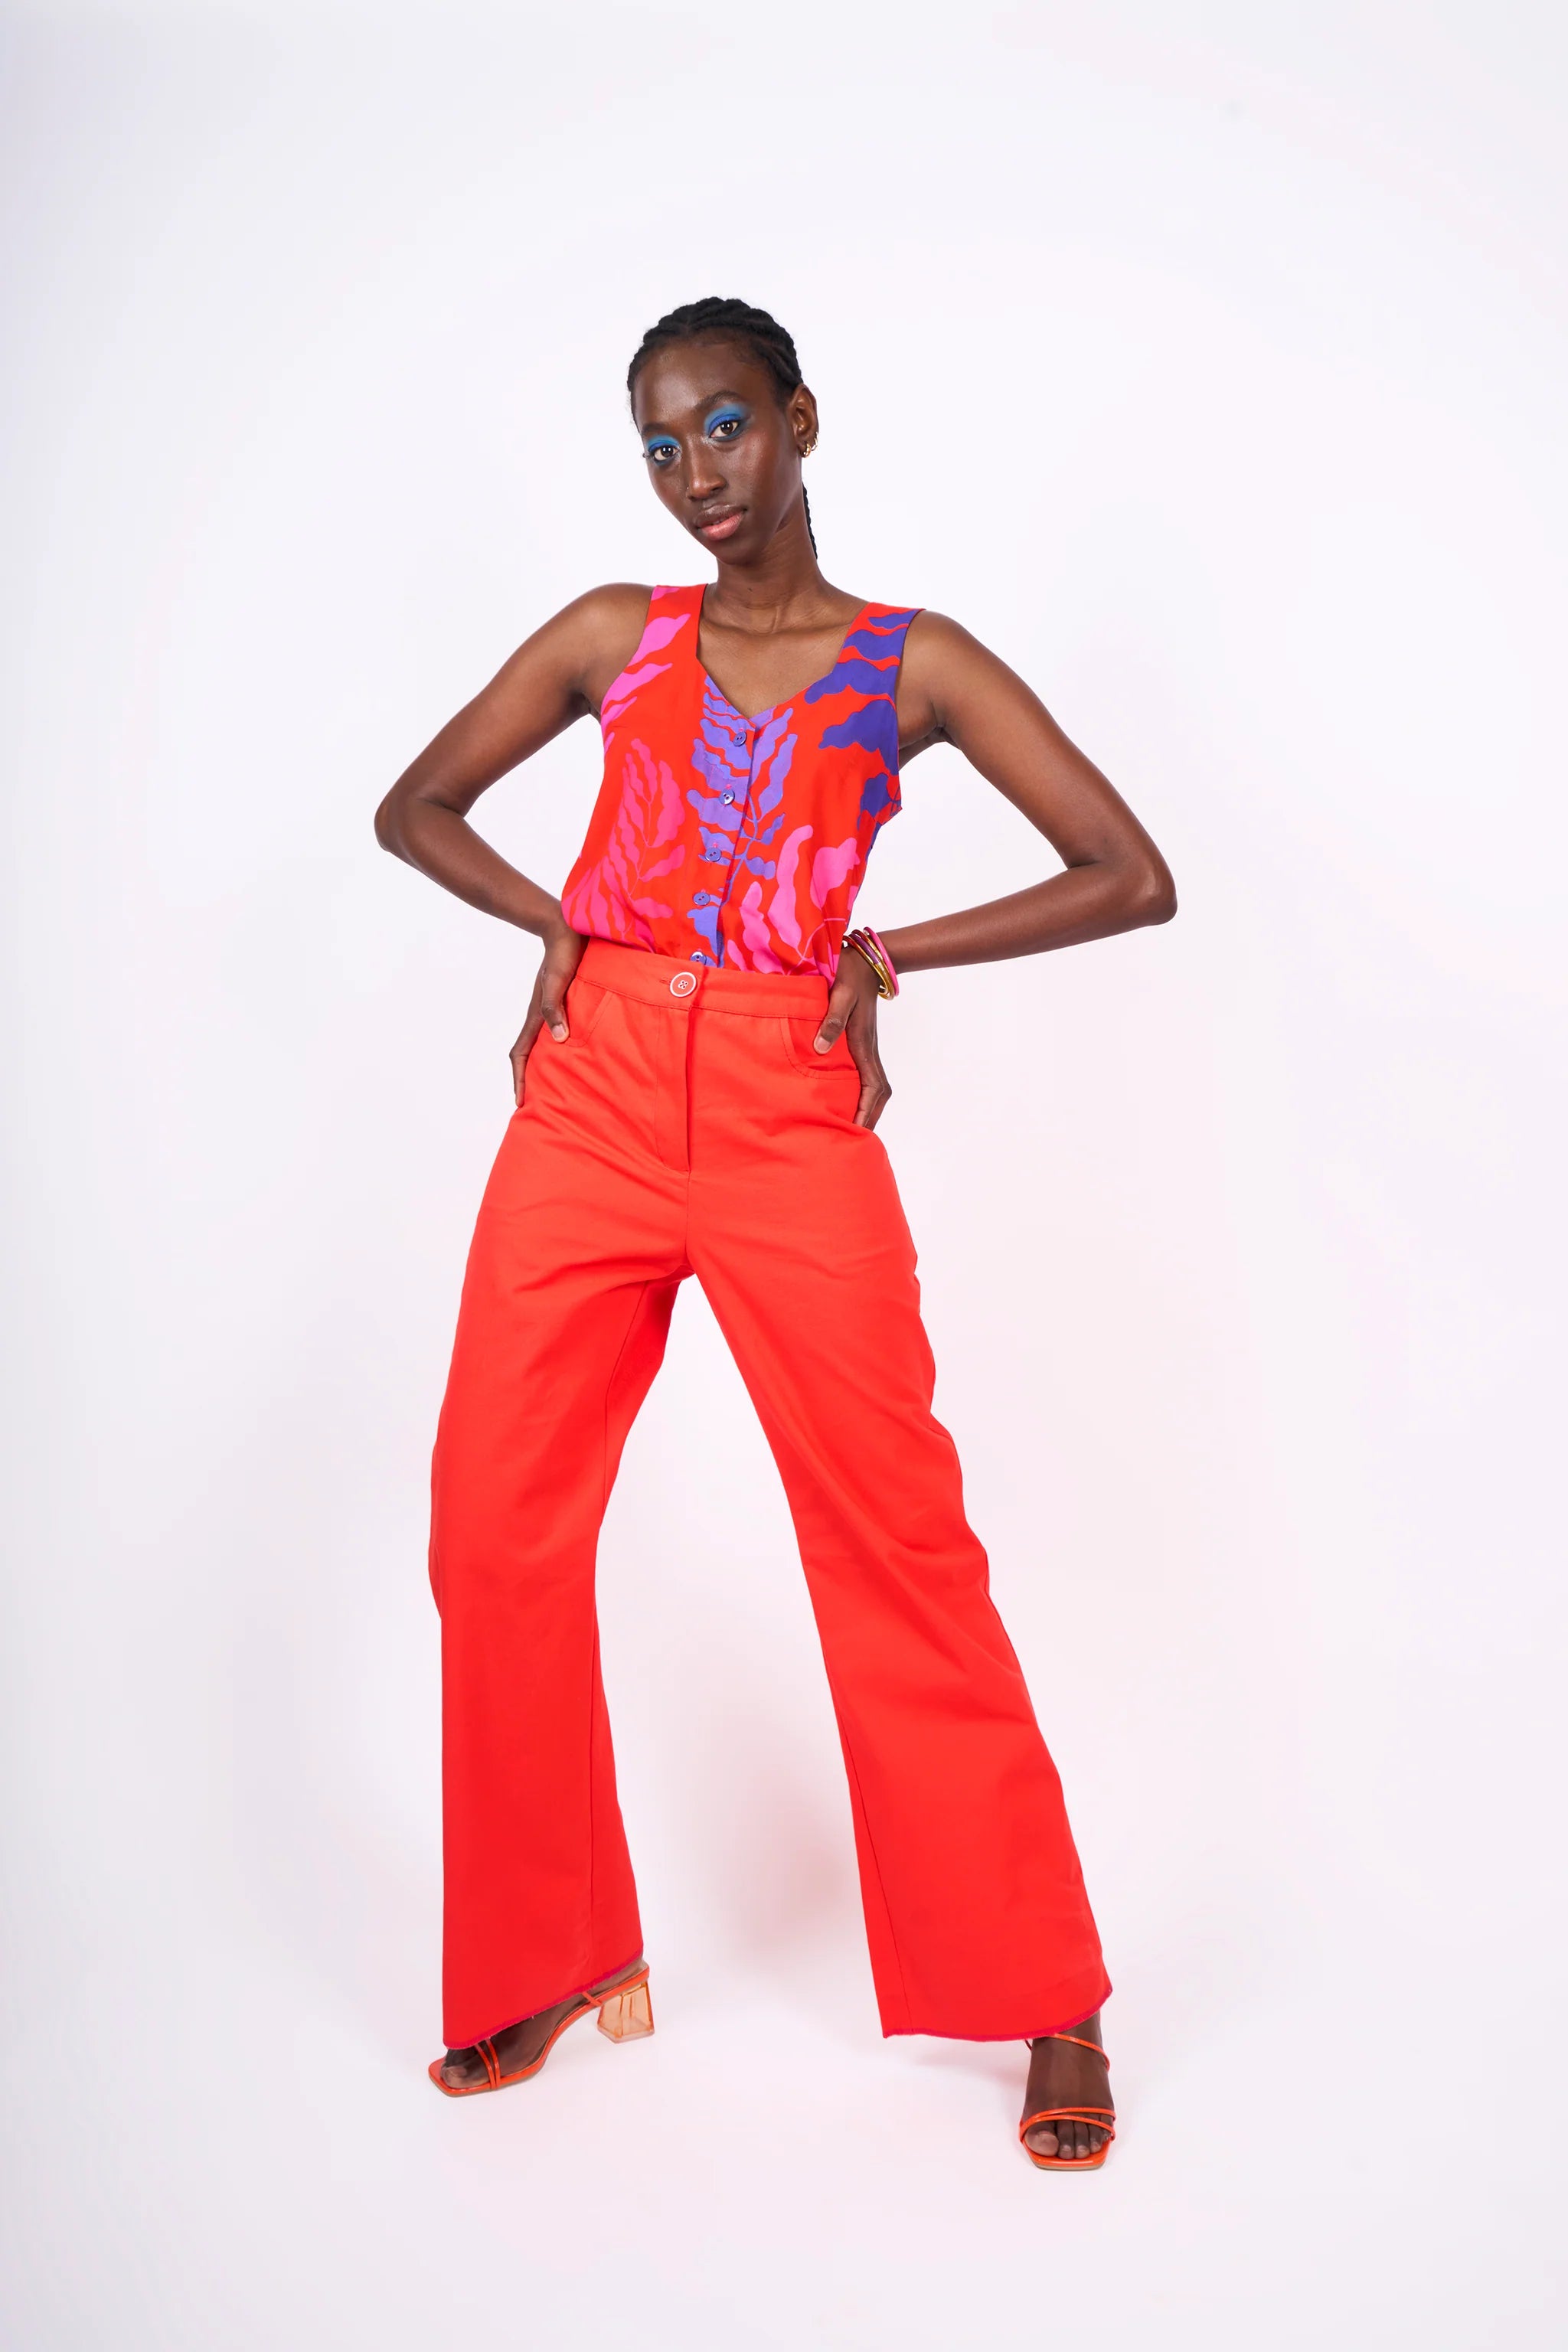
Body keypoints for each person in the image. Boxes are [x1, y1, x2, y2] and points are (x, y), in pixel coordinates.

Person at [374, 296, 1175, 2170]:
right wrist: (555, 927)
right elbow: (414, 807)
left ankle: (1049, 1995)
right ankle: (552, 1950)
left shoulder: (912, 662)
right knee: (490, 1525)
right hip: (585, 1099)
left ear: (801, 420)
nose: (694, 475)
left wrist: (885, 953)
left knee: (895, 1540)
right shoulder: (612, 635)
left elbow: (1129, 875)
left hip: (780, 1102)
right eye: (660, 446)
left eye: (723, 427)